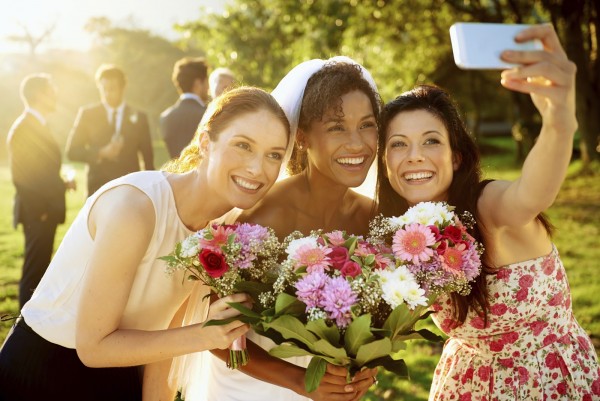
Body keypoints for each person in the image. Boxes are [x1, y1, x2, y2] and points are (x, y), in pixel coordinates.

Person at [0, 87, 291, 401]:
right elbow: (93, 347)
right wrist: (205, 335)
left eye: (274, 154)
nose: (257, 168)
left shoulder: (228, 229)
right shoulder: (136, 208)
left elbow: (165, 341)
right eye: (243, 145)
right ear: (206, 144)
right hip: (44, 372)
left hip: (124, 371)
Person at [375, 24, 600, 400]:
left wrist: (560, 123)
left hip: (544, 380)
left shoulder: (488, 206)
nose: (414, 154)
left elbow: (531, 195)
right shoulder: (401, 232)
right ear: (385, 165)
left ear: (456, 156)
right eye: (399, 144)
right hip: (466, 380)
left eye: (431, 140)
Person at [182, 57, 380, 401]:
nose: (357, 143)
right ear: (301, 137)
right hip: (254, 388)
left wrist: (366, 362)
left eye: (367, 125)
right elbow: (218, 335)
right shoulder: (264, 216)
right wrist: (299, 380)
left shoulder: (371, 218)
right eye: (336, 127)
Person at [6, 73, 76, 309]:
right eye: (51, 90)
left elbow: (39, 171)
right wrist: (40, 213)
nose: (55, 95)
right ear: (38, 95)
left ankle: (33, 319)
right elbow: (22, 177)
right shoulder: (25, 128)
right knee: (34, 270)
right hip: (38, 214)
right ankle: (23, 326)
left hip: (45, 212)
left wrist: (62, 183)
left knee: (40, 268)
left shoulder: (38, 125)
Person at [66, 64, 154, 196]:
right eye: (103, 89)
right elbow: (72, 152)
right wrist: (101, 153)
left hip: (130, 191)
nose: (107, 93)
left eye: (112, 89)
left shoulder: (140, 118)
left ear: (122, 88)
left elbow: (148, 160)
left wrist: (150, 192)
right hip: (98, 190)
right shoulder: (87, 114)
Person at [161, 57, 210, 159]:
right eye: (206, 82)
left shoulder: (165, 117)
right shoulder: (208, 114)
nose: (208, 88)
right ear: (198, 84)